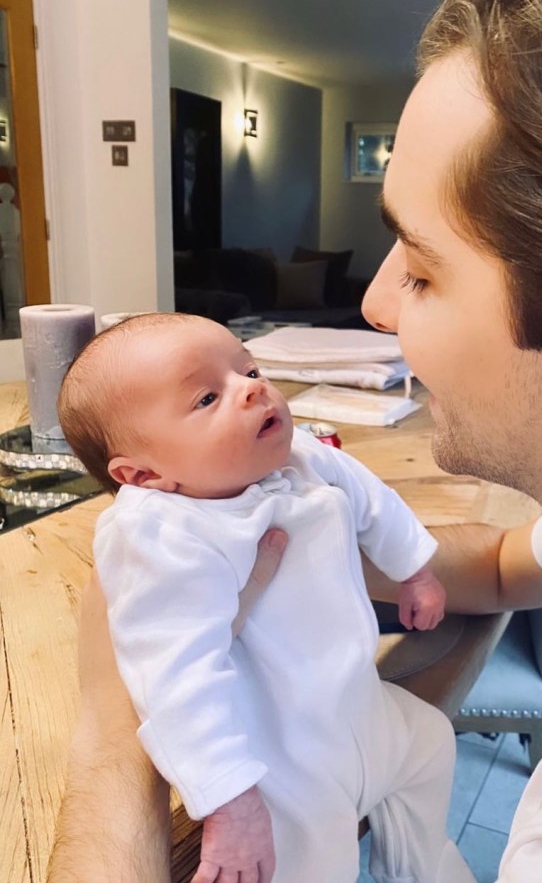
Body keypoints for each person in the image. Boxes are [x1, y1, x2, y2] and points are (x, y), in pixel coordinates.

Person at [48, 0, 542, 879]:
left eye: (423, 272)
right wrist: (307, 556)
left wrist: (108, 729)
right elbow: (507, 562)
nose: (377, 303)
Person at [54, 311, 475, 883]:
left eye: (247, 369)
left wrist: (413, 569)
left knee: (430, 742)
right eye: (207, 399)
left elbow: (369, 495)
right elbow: (178, 678)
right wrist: (229, 798)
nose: (252, 388)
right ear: (144, 476)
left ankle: (419, 866)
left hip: (360, 704)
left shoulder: (298, 455)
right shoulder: (163, 535)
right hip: (284, 760)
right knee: (313, 864)